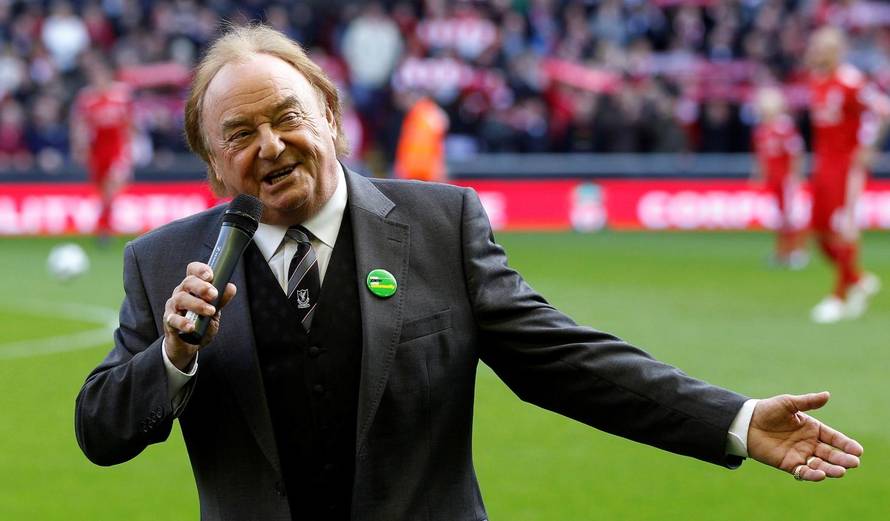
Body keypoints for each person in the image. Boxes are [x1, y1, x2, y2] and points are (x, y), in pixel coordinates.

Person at [75, 25, 863, 521]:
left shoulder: (440, 225)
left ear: (331, 118)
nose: (272, 145)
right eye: (241, 133)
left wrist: (735, 419)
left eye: (288, 116)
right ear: (214, 165)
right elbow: (100, 430)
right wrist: (173, 357)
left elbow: (568, 362)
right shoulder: (163, 263)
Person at [806, 26, 886, 323]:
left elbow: (882, 110)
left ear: (837, 50)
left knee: (843, 228)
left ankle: (839, 297)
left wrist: (868, 147)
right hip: (823, 164)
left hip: (846, 166)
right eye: (815, 47)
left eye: (824, 47)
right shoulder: (817, 80)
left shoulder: (850, 80)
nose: (817, 52)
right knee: (818, 230)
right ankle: (857, 278)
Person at [70, 56, 134, 243]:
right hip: (97, 150)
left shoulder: (121, 95)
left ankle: (104, 228)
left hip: (117, 149)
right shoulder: (87, 98)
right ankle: (104, 227)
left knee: (111, 187)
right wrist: (79, 147)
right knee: (101, 190)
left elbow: (129, 123)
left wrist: (130, 148)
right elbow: (79, 124)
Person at [750, 86, 808, 269]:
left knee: (790, 216)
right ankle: (782, 252)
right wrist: (759, 175)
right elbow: (761, 157)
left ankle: (796, 252)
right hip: (773, 180)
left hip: (785, 179)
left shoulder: (785, 128)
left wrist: (796, 176)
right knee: (779, 217)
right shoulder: (761, 131)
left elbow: (796, 154)